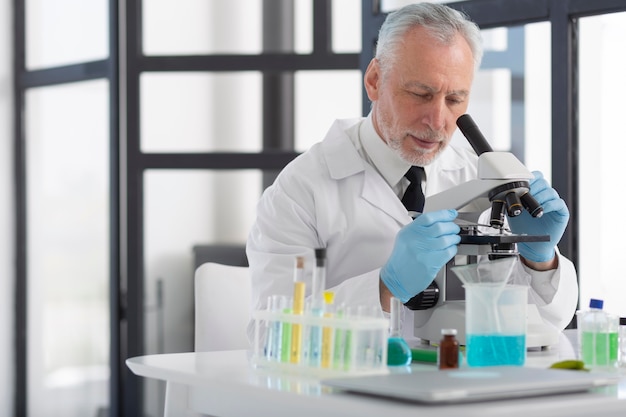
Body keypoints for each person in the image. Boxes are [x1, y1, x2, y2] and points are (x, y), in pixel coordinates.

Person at [246, 3, 578, 340]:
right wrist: (385, 287)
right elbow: (270, 334)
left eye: (454, 100)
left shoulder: (475, 175)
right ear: (375, 81)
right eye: (421, 94)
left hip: (455, 378)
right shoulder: (300, 190)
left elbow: (549, 322)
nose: (436, 121)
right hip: (349, 385)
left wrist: (540, 261)